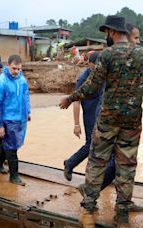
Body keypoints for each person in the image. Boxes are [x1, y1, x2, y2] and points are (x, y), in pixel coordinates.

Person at [59, 16, 143, 227]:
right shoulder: (142, 55)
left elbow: (91, 87)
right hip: (132, 121)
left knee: (97, 163)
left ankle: (88, 209)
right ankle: (122, 216)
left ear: (112, 32)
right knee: (126, 168)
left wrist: (70, 98)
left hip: (107, 121)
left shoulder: (106, 55)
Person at [63, 52, 103, 181]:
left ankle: (105, 174)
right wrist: (76, 124)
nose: (98, 67)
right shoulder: (83, 78)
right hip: (90, 116)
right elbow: (76, 101)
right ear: (89, 63)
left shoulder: (102, 75)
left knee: (105, 145)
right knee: (90, 144)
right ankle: (70, 163)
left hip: (102, 115)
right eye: (96, 64)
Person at [0, 55, 30, 186]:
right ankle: (14, 176)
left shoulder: (22, 80)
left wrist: (27, 112)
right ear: (7, 66)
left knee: (10, 143)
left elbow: (26, 97)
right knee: (12, 147)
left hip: (19, 117)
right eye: (14, 68)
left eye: (19, 69)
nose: (16, 71)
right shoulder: (1, 81)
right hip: (7, 118)